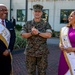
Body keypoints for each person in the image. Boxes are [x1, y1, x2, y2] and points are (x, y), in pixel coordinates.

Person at [21, 4, 52, 75]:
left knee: (42, 72)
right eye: (35, 11)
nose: (37, 13)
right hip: (30, 53)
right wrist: (31, 33)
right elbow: (23, 35)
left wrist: (38, 33)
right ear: (33, 12)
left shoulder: (46, 24)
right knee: (30, 72)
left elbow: (49, 35)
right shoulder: (28, 24)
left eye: (39, 11)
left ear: (41, 13)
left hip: (42, 53)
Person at [58, 11, 75, 75]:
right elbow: (60, 42)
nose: (69, 18)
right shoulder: (64, 29)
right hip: (65, 57)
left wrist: (73, 49)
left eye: (71, 16)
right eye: (69, 16)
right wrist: (60, 45)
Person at [0, 4, 12, 75]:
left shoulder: (10, 23)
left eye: (6, 10)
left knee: (7, 71)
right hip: (0, 52)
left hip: (7, 54)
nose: (5, 12)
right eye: (2, 10)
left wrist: (9, 49)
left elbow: (13, 38)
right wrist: (2, 50)